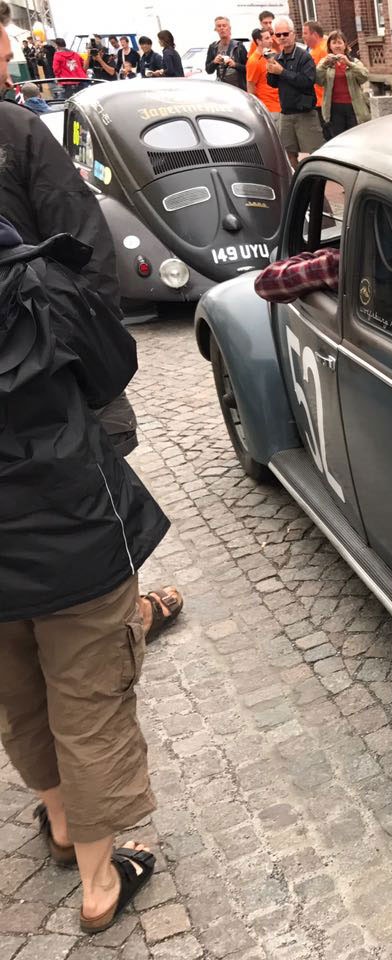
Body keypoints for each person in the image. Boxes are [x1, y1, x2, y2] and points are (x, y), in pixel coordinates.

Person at [0, 4, 165, 930]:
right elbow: (106, 356)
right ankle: (100, 882)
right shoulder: (32, 268)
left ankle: (60, 821)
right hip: (59, 496)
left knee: (15, 678)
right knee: (87, 682)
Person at [0, 35, 185, 645]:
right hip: (41, 374)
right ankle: (117, 624)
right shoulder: (17, 130)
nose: (8, 66)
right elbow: (83, 249)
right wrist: (93, 364)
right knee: (84, 506)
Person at [265, 16, 323, 166]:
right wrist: (270, 70)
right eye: (278, 35)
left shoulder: (304, 57)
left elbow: (307, 81)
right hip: (286, 113)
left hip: (305, 113)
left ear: (293, 34)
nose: (282, 37)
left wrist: (282, 72)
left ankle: (315, 180)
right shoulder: (277, 57)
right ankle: (298, 178)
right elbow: (273, 84)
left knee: (314, 155)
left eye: (285, 34)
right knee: (288, 154)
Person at [316, 31, 369, 137]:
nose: (337, 46)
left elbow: (364, 76)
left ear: (345, 45)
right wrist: (324, 64)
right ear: (330, 46)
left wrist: (349, 63)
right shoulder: (325, 63)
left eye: (340, 42)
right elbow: (318, 80)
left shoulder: (353, 61)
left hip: (353, 107)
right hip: (334, 108)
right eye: (334, 43)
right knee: (339, 138)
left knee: (355, 137)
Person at [254, 247, 340, 302]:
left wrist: (329, 264)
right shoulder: (334, 259)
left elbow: (263, 284)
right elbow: (264, 283)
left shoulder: (334, 262)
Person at [246, 26, 281, 131]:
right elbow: (251, 87)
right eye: (267, 38)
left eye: (270, 37)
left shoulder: (273, 53)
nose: (271, 40)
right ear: (258, 41)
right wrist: (257, 109)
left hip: (281, 104)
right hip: (269, 108)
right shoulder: (254, 61)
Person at [206, 16, 247, 89]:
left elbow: (249, 69)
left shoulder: (239, 46)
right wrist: (214, 62)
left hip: (238, 89)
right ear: (216, 29)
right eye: (219, 26)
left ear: (229, 28)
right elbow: (208, 71)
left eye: (224, 25)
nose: (222, 28)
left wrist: (235, 65)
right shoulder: (213, 47)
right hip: (222, 89)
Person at [302, 18, 326, 132]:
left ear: (315, 35)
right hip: (319, 99)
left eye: (305, 33)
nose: (303, 36)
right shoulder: (318, 48)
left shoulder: (320, 51)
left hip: (322, 100)